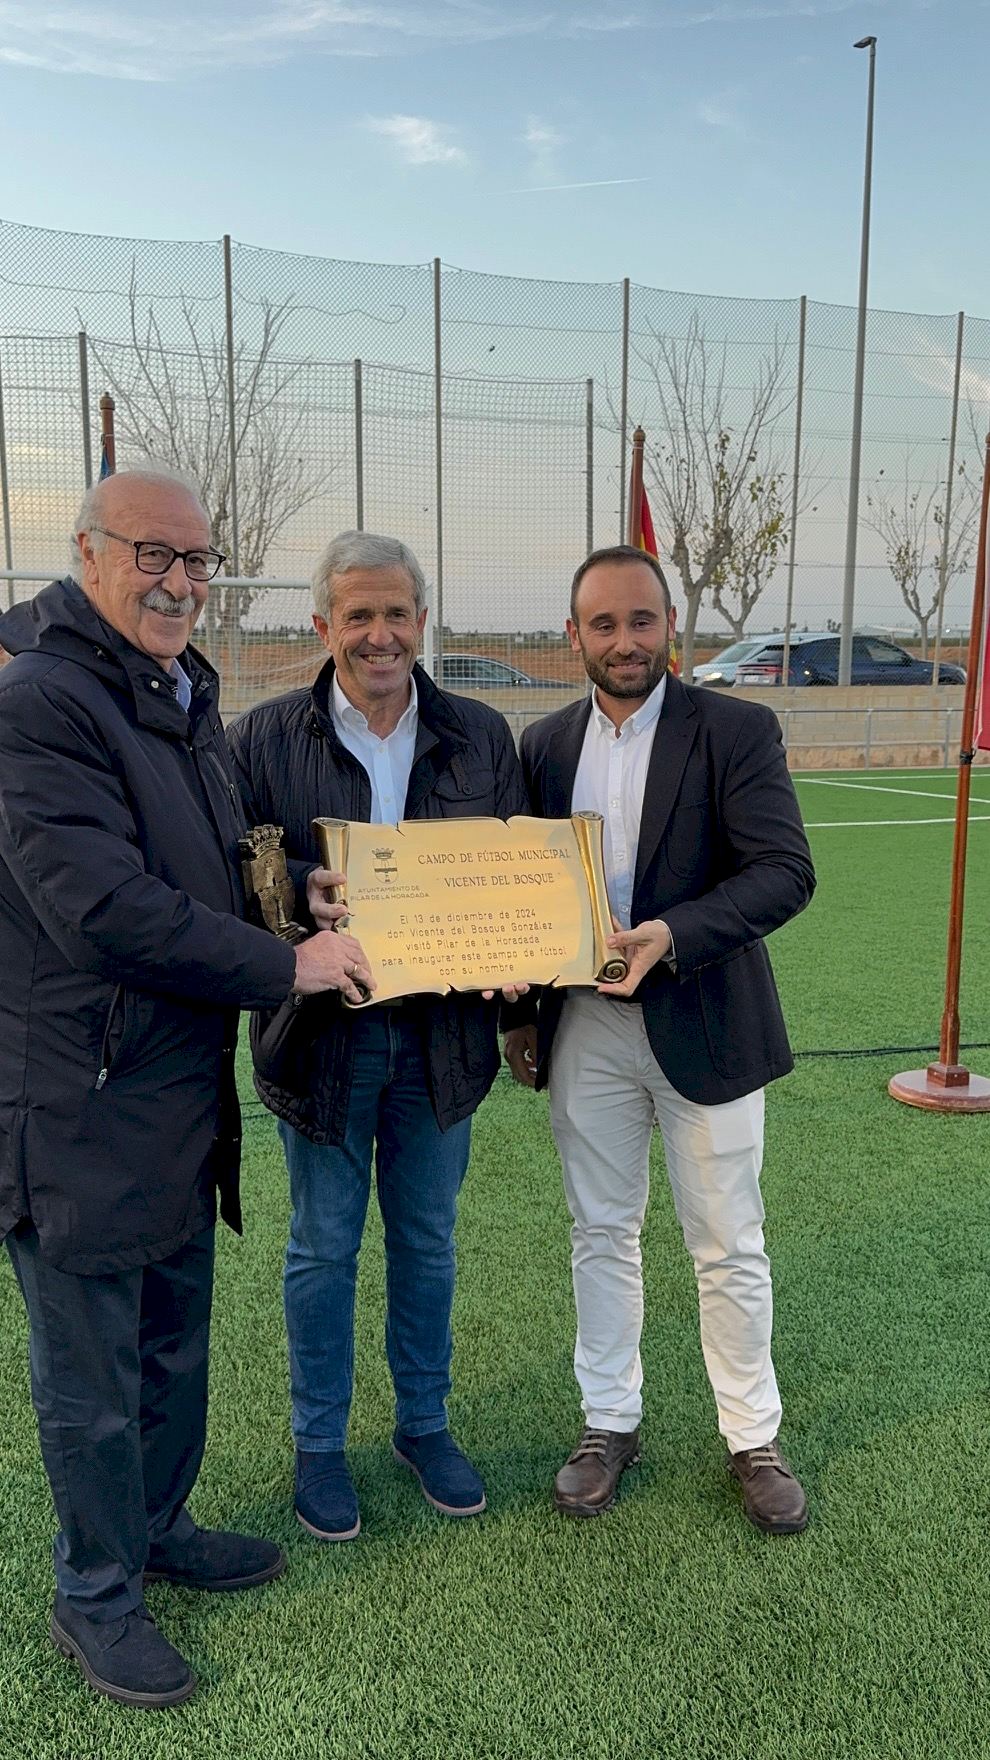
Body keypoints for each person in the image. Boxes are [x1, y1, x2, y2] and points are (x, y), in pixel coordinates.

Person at [0, 469, 373, 1710]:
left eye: (198, 559)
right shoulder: (41, 700)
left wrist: (293, 891)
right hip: (81, 1101)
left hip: (173, 1089)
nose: (180, 581)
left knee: (170, 1344)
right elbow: (103, 907)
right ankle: (95, 1595)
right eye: (152, 553)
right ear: (88, 554)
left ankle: (158, 1531)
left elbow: (209, 860)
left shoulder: (176, 688)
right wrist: (288, 963)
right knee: (92, 1380)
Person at [504, 545, 816, 1534]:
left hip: (706, 1018)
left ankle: (752, 1437)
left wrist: (673, 935)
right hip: (586, 1026)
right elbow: (520, 893)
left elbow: (784, 871)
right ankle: (609, 1423)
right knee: (600, 1230)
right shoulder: (543, 745)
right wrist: (517, 1012)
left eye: (642, 620)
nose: (626, 640)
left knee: (727, 1241)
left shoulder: (736, 730)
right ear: (574, 635)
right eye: (604, 623)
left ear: (670, 624)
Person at [227, 530, 529, 1541]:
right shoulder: (263, 737)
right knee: (322, 1247)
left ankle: (423, 1425)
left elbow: (516, 873)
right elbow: (233, 875)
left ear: (422, 621)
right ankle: (318, 1443)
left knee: (428, 1242)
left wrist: (516, 958)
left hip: (443, 1041)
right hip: (323, 1038)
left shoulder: (481, 734)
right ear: (324, 624)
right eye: (359, 614)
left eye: (397, 612)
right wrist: (294, 897)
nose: (380, 633)